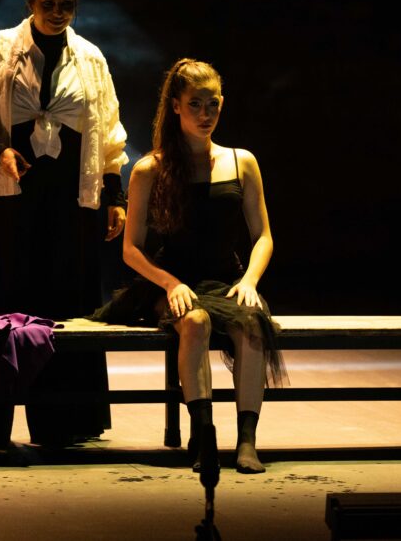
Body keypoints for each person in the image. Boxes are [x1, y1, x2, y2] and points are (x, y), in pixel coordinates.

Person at [0, 0, 129, 448]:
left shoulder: (90, 59)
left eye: (67, 4)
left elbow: (109, 133)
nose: (57, 12)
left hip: (69, 205)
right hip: (9, 201)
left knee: (66, 307)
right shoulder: (1, 49)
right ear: (29, 2)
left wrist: (114, 197)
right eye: (48, 3)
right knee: (0, 307)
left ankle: (66, 421)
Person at [92, 58, 285, 473]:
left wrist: (250, 280)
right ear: (176, 106)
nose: (205, 114)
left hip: (225, 280)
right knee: (195, 322)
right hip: (171, 283)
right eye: (195, 104)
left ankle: (247, 442)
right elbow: (131, 250)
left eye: (212, 104)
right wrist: (170, 284)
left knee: (252, 325)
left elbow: (264, 236)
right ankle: (203, 436)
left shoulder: (241, 161)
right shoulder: (151, 168)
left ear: (222, 104)